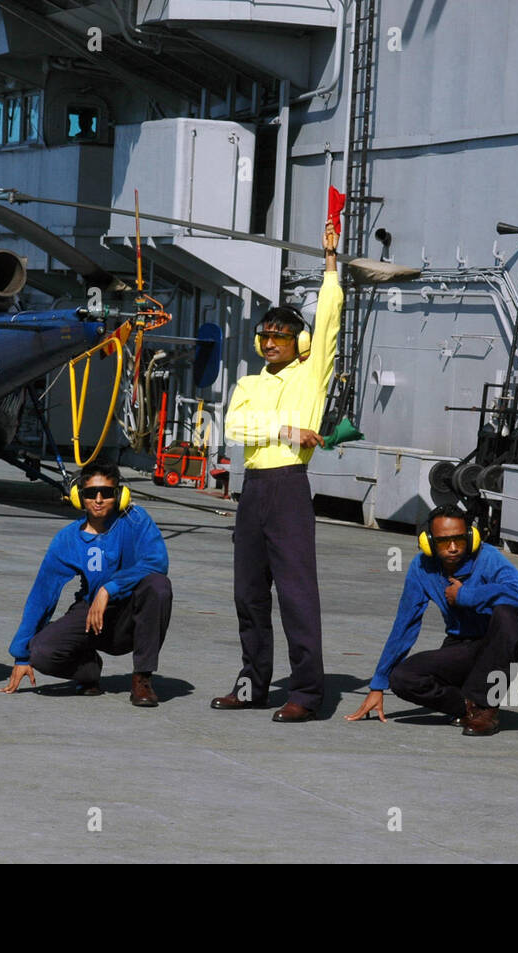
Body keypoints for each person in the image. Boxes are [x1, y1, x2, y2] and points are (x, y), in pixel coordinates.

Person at [210, 222, 342, 723]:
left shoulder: (312, 372)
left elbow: (328, 319)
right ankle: (252, 685)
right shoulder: (247, 382)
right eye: (265, 336)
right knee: (248, 593)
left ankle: (308, 693)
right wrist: (286, 429)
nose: (270, 343)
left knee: (296, 594)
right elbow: (235, 428)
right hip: (254, 487)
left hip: (288, 486)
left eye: (280, 336)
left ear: (298, 341)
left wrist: (330, 265)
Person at [345, 504, 518, 734]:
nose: (453, 548)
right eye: (444, 542)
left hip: (495, 646)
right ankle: (466, 708)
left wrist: (465, 595)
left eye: (459, 540)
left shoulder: (488, 557)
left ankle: (486, 709)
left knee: (507, 616)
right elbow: (405, 625)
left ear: (471, 538)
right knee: (403, 678)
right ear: (429, 542)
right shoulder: (422, 567)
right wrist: (378, 683)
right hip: (460, 648)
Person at [1, 463, 172, 707]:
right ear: (79, 497)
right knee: (42, 652)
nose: (99, 500)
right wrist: (21, 655)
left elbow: (157, 561)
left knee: (158, 585)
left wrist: (109, 588)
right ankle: (89, 670)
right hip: (92, 615)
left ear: (120, 495)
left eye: (107, 493)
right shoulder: (68, 538)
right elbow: (42, 594)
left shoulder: (135, 520)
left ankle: (142, 678)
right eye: (91, 493)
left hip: (131, 617)